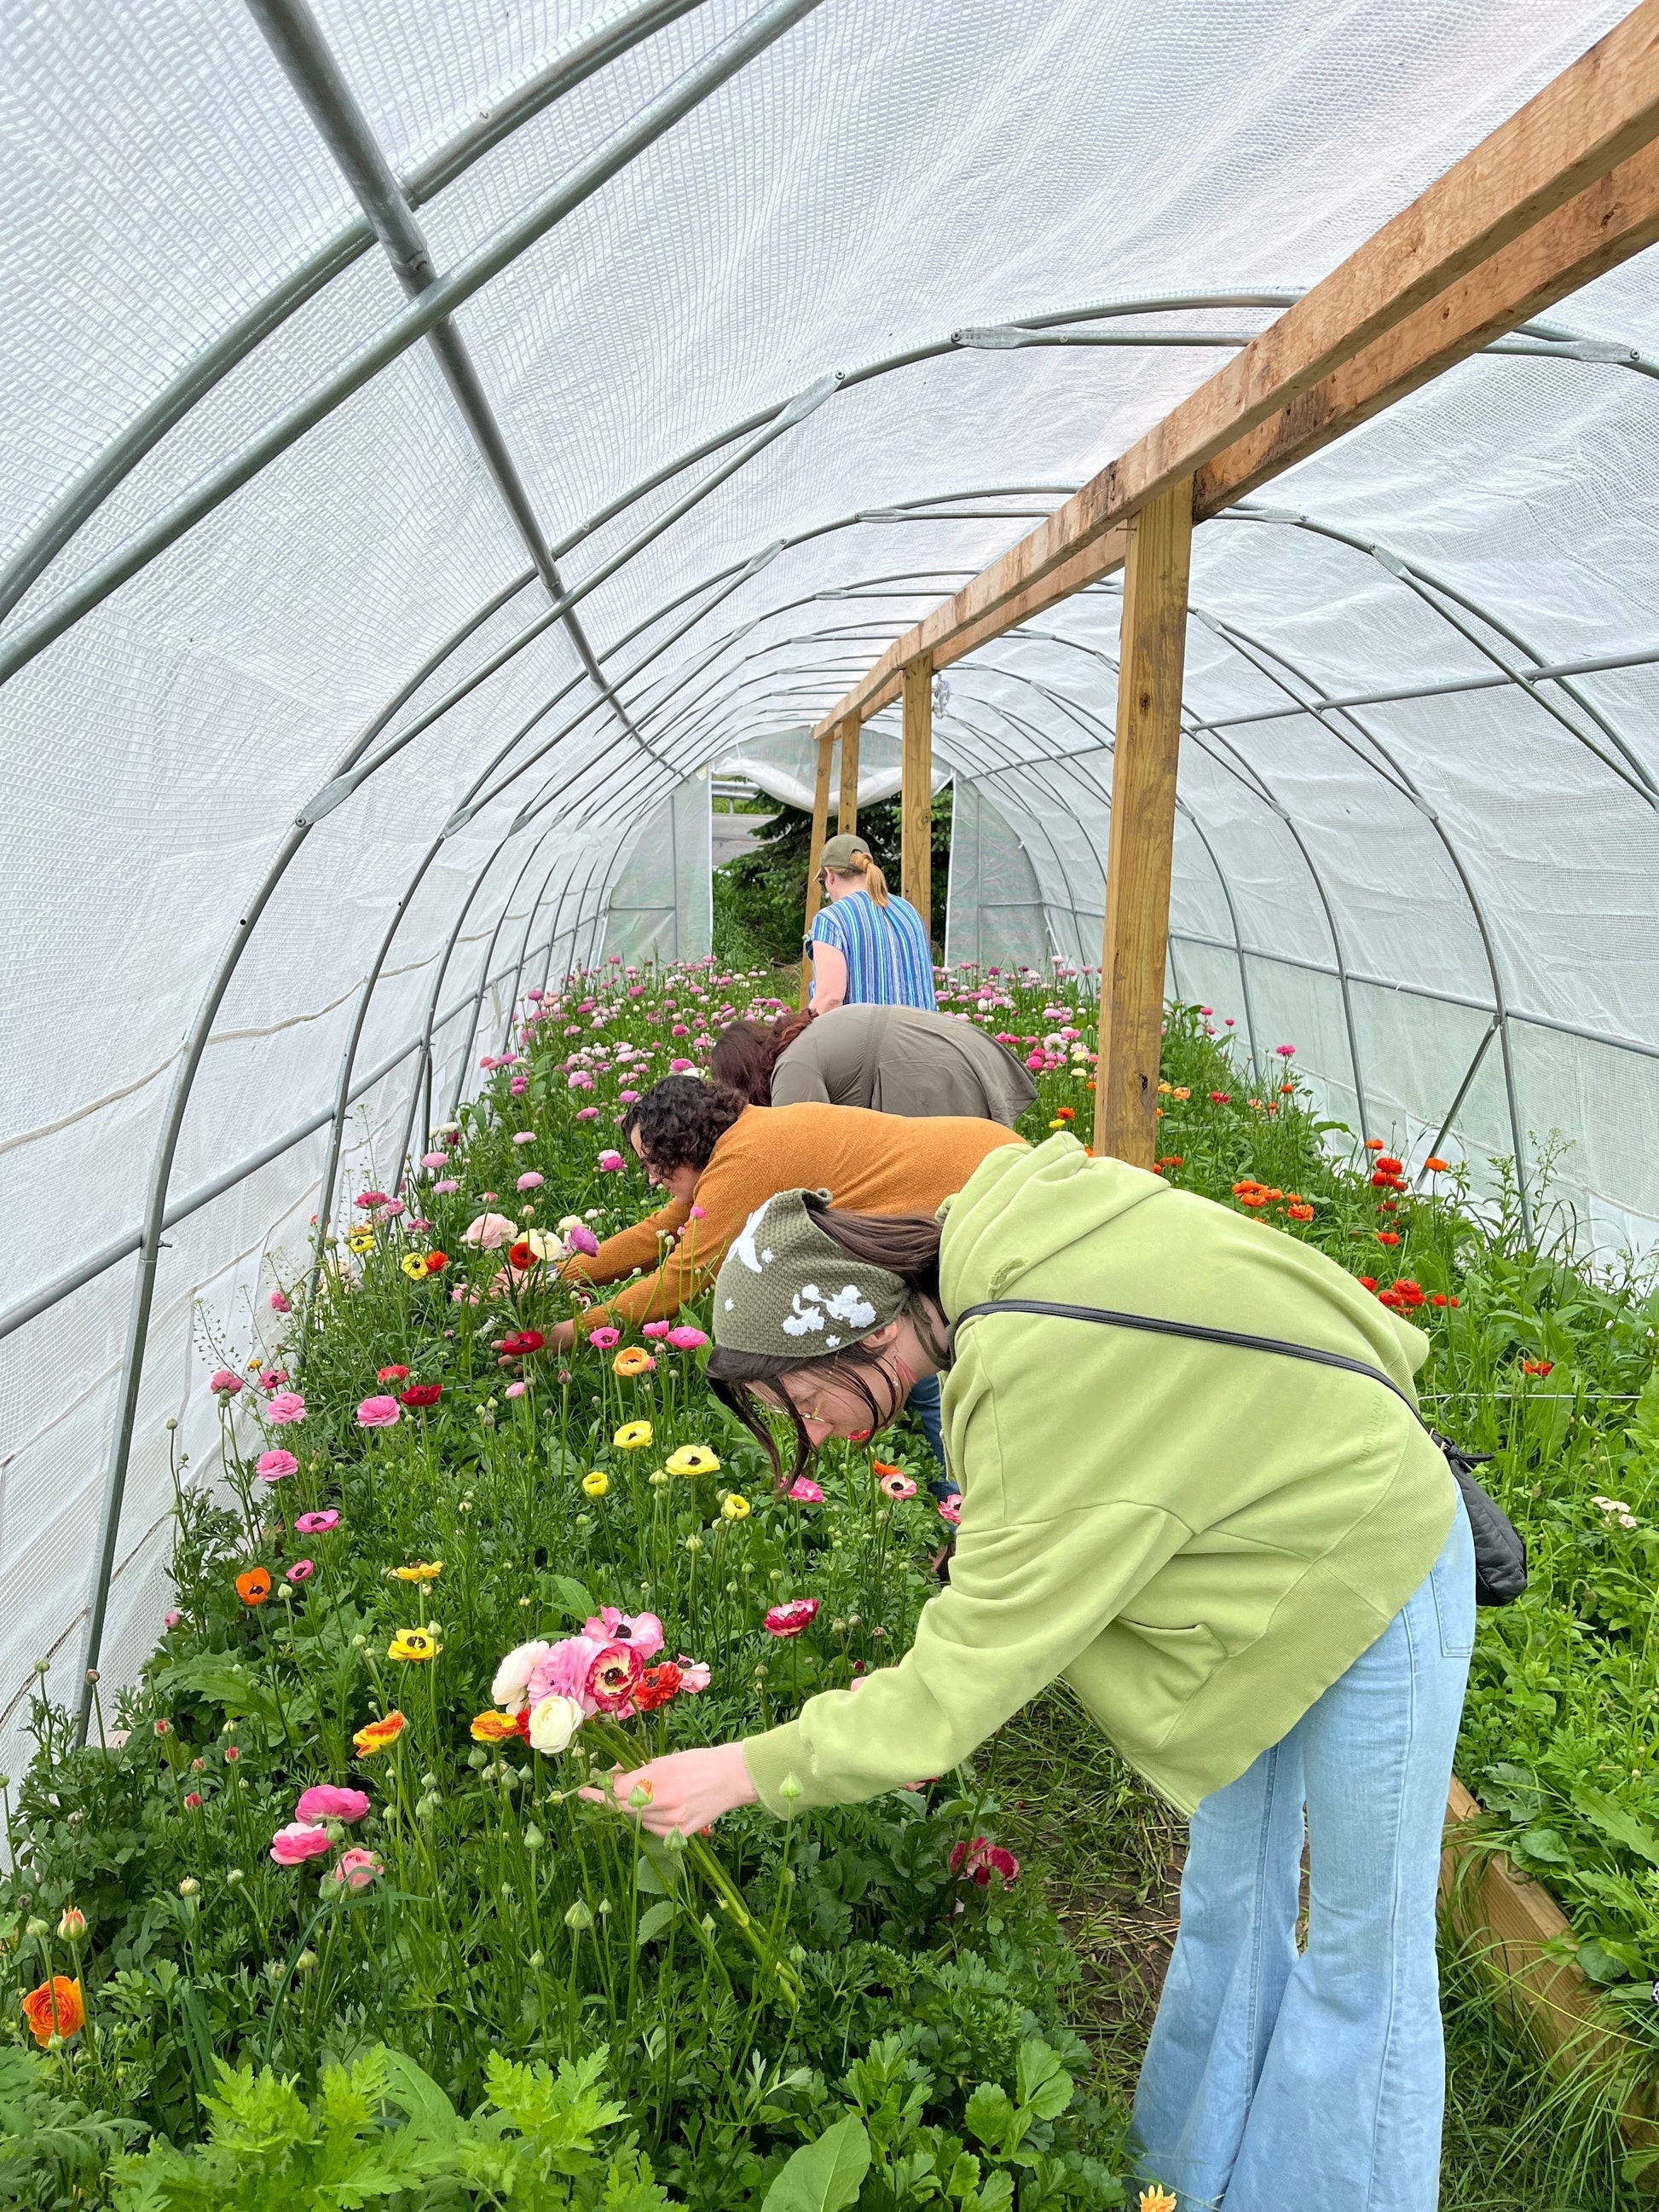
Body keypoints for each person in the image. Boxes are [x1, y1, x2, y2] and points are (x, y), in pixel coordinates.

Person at [586, 1134, 1475, 2212]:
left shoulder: (1023, 1380)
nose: (815, 1435)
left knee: (1358, 1957)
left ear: (857, 1328)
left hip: (1373, 1554)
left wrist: (737, 1769)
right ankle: (1185, 2187)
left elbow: (947, 1697)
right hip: (1260, 1555)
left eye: (800, 1404)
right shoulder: (1023, 1230)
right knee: (1228, 1900)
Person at [552, 1073, 1025, 1487]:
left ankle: (961, 1507)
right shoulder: (743, 1141)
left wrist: (566, 1335)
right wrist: (557, 1276)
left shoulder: (746, 1163)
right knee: (925, 1354)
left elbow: (680, 1279)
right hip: (983, 1156)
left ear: (682, 1142)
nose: (651, 1178)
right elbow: (660, 1228)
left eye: (653, 1160)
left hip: (988, 1189)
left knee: (962, 1371)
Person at [710, 1003, 1035, 1124]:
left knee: (953, 1195)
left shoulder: (792, 1068)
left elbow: (807, 1158)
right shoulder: (805, 1040)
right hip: (955, 1045)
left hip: (927, 1069)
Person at [806, 832, 936, 1012]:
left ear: (829, 875)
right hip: (923, 1036)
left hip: (866, 1039)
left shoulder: (831, 919)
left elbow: (830, 999)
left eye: (822, 882)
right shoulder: (908, 911)